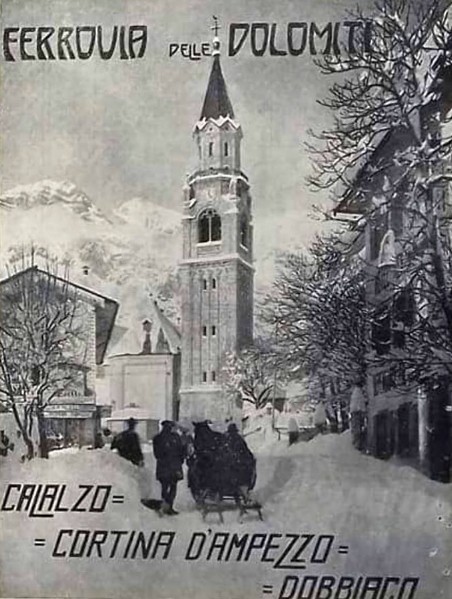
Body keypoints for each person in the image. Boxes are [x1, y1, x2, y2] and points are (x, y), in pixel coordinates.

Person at [152, 421, 185, 515]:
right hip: (174, 467)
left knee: (165, 487)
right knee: (173, 487)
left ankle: (166, 505)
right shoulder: (175, 437)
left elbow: (157, 454)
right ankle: (169, 506)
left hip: (163, 467)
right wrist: (179, 461)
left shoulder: (157, 438)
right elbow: (181, 451)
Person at [224, 423, 256, 496]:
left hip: (231, 462)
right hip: (235, 463)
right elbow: (245, 450)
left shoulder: (228, 439)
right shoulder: (237, 439)